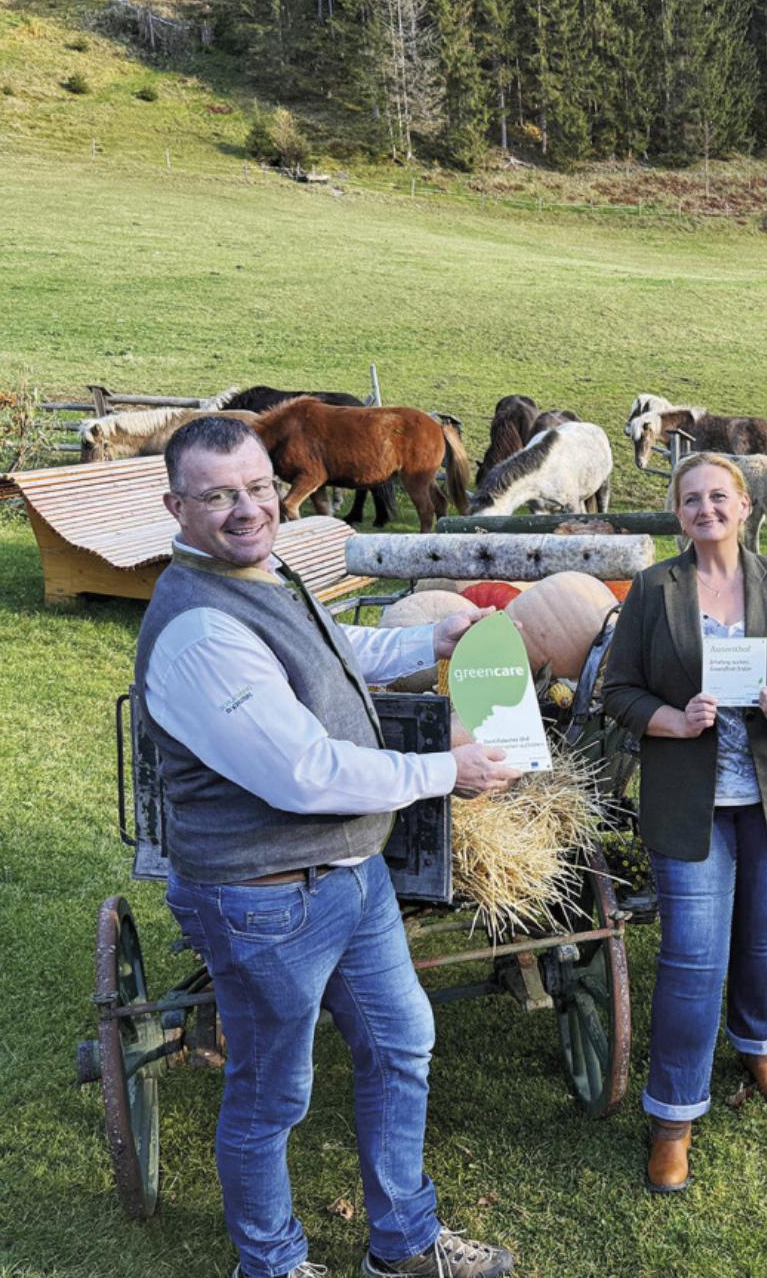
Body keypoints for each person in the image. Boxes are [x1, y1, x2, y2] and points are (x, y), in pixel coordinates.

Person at [135, 414, 523, 1278]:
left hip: (351, 878)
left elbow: (331, 654)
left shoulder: (267, 570)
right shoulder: (201, 627)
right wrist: (441, 770)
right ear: (176, 503)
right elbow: (303, 775)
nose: (248, 508)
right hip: (263, 898)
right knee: (273, 1093)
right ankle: (271, 1265)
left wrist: (430, 640)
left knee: (401, 1043)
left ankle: (405, 1245)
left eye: (259, 487)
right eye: (220, 495)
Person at [602, 452, 767, 1193]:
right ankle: (674, 1114)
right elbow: (618, 690)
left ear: (744, 506)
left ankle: (759, 1044)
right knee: (692, 959)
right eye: (691, 500)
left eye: (719, 497)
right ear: (679, 515)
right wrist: (670, 719)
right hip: (690, 802)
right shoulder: (653, 589)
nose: (706, 509)